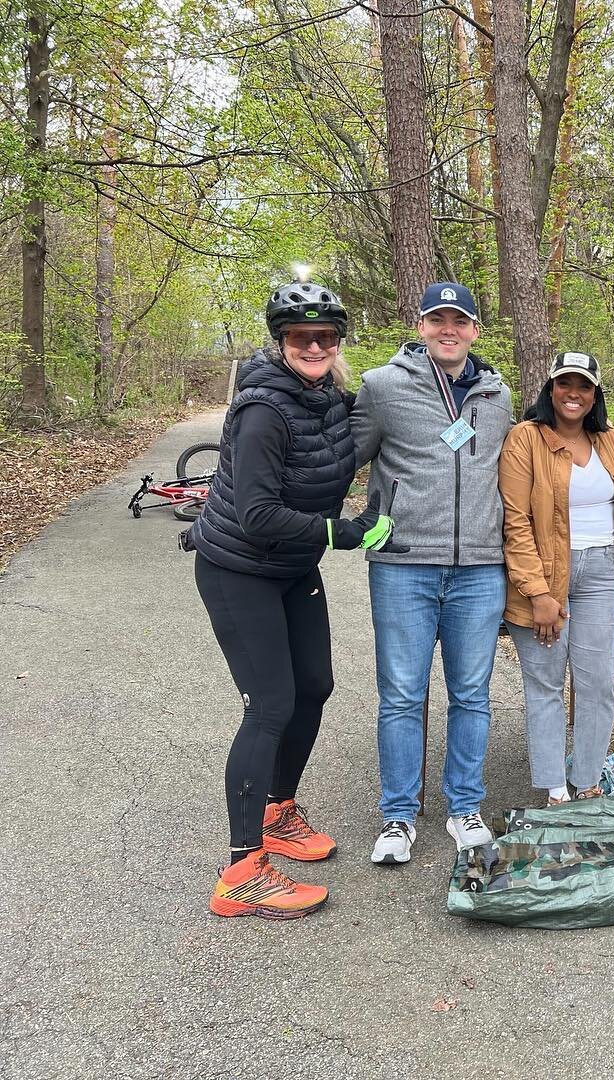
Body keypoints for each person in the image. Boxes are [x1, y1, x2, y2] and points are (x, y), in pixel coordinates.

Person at [190, 281, 402, 918]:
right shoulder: (263, 412)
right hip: (238, 568)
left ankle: (279, 809)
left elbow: (368, 438)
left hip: (292, 567)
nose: (314, 346)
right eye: (300, 336)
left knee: (314, 685)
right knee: (270, 705)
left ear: (338, 343)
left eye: (326, 336)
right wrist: (342, 531)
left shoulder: (329, 402)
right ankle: (242, 871)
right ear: (280, 341)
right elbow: (255, 513)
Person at [350, 282, 513, 865]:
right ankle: (397, 816)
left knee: (471, 693)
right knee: (401, 693)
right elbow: (343, 456)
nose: (449, 329)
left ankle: (464, 806)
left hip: (479, 569)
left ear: (474, 329)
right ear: (420, 325)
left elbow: (513, 475)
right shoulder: (382, 387)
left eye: (460, 320)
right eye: (438, 319)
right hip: (403, 567)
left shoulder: (496, 395)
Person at [499, 352, 614, 805]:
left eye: (584, 386)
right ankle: (556, 789)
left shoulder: (608, 440)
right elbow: (514, 521)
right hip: (543, 575)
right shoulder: (526, 438)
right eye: (564, 384)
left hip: (599, 573)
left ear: (595, 394)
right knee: (546, 685)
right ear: (550, 389)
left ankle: (589, 780)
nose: (573, 394)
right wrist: (537, 592)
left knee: (597, 683)